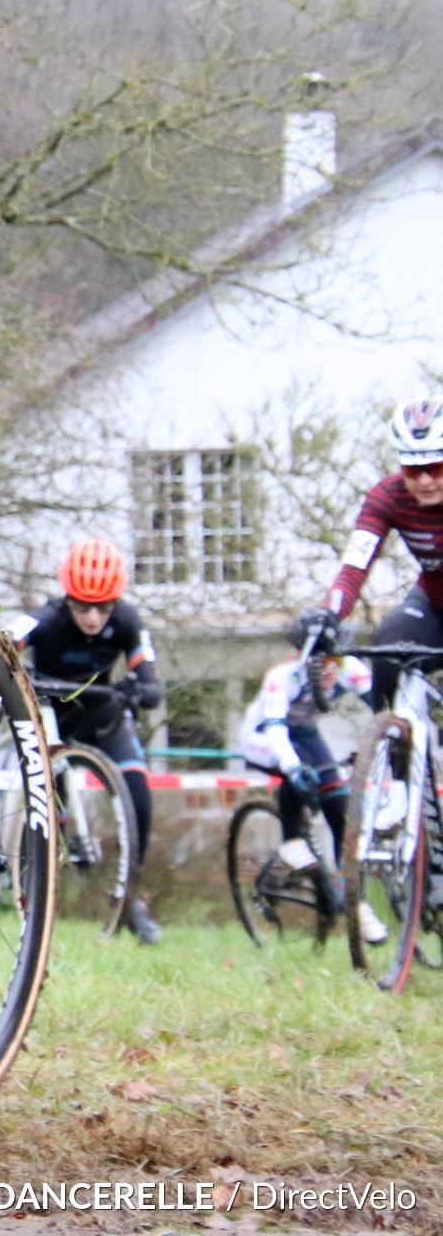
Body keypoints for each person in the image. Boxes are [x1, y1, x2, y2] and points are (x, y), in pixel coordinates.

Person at [9, 537, 166, 943]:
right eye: (82, 606)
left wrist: (143, 689)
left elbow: (149, 677)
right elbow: (6, 638)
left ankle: (132, 899)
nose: (93, 617)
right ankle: (37, 894)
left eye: (103, 607)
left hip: (104, 718)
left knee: (139, 795)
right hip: (54, 720)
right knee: (47, 806)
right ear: (67, 599)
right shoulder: (48, 618)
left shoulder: (128, 621)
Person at [235, 623, 382, 942]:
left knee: (338, 802)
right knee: (298, 769)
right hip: (263, 735)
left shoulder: (348, 668)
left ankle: (356, 901)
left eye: (336, 662)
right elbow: (276, 733)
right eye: (322, 662)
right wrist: (293, 767)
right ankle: (291, 841)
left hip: (305, 733)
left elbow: (383, 706)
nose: (331, 669)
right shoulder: (282, 679)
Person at [303, 396, 443, 711]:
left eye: (435, 467)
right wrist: (329, 615)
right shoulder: (387, 497)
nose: (424, 480)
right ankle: (390, 744)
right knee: (391, 643)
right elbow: (355, 566)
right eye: (413, 467)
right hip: (434, 604)